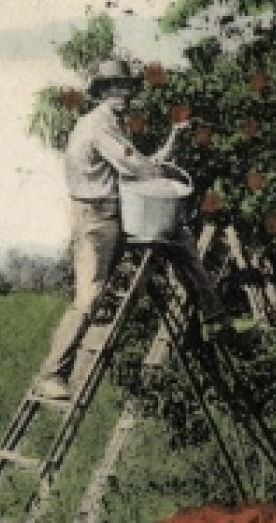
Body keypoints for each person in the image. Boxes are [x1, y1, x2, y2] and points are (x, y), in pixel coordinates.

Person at [35, 58, 227, 402]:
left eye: (126, 87)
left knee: (177, 239)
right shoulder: (100, 125)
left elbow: (140, 163)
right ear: (101, 92)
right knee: (89, 297)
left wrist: (173, 138)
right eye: (114, 87)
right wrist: (166, 175)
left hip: (112, 213)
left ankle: (214, 312)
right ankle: (52, 374)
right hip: (96, 219)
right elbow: (138, 167)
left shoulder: (107, 124)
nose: (123, 93)